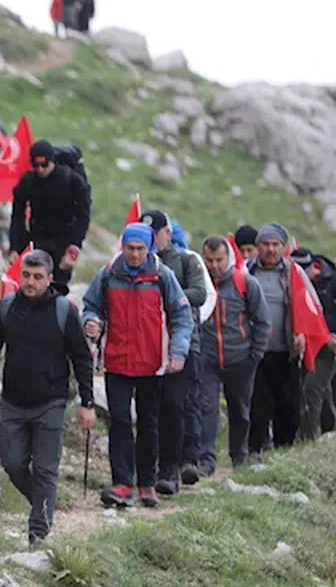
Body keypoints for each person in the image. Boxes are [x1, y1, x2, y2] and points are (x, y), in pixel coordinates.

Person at [0, 250, 95, 547]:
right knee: (12, 463)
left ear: (50, 279)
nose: (30, 282)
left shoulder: (64, 311)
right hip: (13, 401)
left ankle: (38, 533)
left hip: (51, 402)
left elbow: (81, 359)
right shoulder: (7, 306)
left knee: (46, 469)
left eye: (37, 277)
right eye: (26, 275)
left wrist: (87, 403)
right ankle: (45, 504)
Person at [83, 223, 192, 509]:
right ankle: (121, 483)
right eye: (129, 248)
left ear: (150, 248)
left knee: (148, 424)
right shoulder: (108, 274)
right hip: (116, 361)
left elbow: (182, 315)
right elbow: (91, 306)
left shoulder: (162, 276)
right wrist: (91, 322)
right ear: (122, 247)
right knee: (119, 421)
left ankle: (146, 483)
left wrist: (178, 352)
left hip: (152, 363)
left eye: (140, 249)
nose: (134, 254)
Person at [191, 236, 270, 473]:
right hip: (207, 359)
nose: (214, 265)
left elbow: (263, 321)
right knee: (206, 408)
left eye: (219, 260)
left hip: (240, 359)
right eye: (209, 260)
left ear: (228, 258)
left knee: (240, 410)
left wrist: (254, 356)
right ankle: (206, 460)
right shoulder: (198, 285)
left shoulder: (245, 282)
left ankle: (239, 456)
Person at [145, 212, 209, 496]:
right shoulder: (137, 265)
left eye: (155, 234)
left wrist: (169, 295)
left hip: (183, 344)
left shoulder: (186, 261)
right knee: (152, 409)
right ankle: (151, 467)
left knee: (177, 406)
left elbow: (199, 293)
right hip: (148, 345)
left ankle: (178, 465)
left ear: (167, 234)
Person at [247, 223, 305, 458]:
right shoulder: (246, 272)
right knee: (257, 403)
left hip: (286, 351)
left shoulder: (294, 273)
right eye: (265, 244)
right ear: (258, 246)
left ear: (283, 247)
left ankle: (285, 452)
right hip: (254, 351)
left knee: (287, 404)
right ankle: (253, 451)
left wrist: (302, 333)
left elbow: (309, 306)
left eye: (275, 244)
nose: (271, 250)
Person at [9, 139, 91, 295]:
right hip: (38, 237)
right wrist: (15, 247)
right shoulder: (28, 181)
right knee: (32, 287)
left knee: (57, 291)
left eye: (44, 165)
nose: (40, 170)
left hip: (63, 241)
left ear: (52, 161)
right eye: (36, 166)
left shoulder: (72, 180)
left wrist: (73, 248)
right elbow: (17, 215)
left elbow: (83, 216)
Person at [292, 246, 336, 439]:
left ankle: (306, 437)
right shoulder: (290, 282)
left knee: (313, 386)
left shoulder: (331, 281)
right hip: (302, 342)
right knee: (321, 389)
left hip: (327, 344)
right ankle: (329, 428)